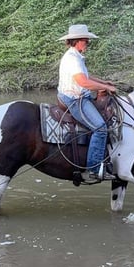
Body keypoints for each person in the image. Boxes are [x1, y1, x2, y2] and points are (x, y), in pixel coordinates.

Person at [56, 24, 117, 183]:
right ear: (77, 41)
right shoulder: (72, 59)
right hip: (74, 99)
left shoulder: (75, 56)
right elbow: (83, 82)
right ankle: (94, 169)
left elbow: (86, 77)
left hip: (77, 95)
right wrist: (106, 88)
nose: (88, 43)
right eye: (86, 40)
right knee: (101, 128)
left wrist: (103, 82)